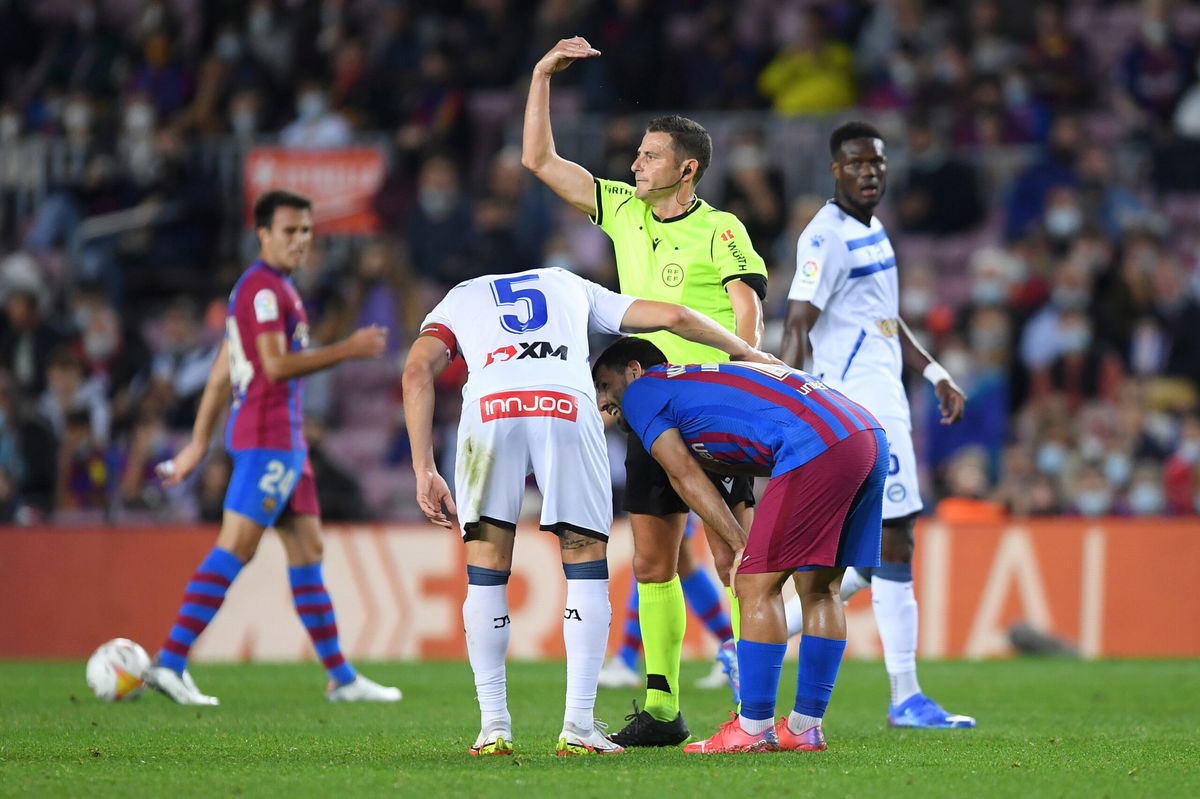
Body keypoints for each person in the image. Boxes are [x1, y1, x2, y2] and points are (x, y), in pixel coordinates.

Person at [401, 266, 777, 756]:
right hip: (564, 403)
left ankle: (493, 726)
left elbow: (415, 372)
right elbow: (675, 316)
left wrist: (423, 468)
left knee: (486, 570)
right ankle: (578, 726)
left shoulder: (461, 295)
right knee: (584, 565)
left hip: (490, 409)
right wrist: (746, 352)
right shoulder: (567, 283)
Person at [522, 36, 769, 746]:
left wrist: (746, 369)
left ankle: (757, 712)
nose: (635, 164)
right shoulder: (624, 209)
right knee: (656, 560)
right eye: (637, 154)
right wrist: (541, 74)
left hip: (714, 411)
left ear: (686, 169)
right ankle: (663, 709)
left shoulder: (722, 228)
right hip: (646, 410)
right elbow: (538, 161)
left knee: (734, 557)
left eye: (651, 155)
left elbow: (746, 307)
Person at [144, 190, 400, 706]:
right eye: (290, 230)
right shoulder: (264, 290)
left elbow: (222, 373)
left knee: (308, 551)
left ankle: (342, 679)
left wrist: (197, 445)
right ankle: (170, 661)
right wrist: (347, 349)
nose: (301, 240)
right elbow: (274, 366)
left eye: (306, 230)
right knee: (236, 546)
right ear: (262, 234)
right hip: (267, 439)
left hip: (286, 441)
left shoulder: (270, 290)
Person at [592, 337, 887, 754]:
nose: (604, 400)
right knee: (821, 588)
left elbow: (683, 476)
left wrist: (738, 541)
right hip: (865, 433)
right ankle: (803, 727)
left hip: (816, 445)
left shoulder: (644, 391)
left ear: (635, 370)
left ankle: (753, 727)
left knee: (753, 584)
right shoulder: (700, 380)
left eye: (605, 385)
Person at [779, 121, 975, 729]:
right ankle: (906, 697)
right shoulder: (826, 239)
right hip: (860, 409)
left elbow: (885, 320)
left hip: (887, 398)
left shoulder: (875, 230)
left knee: (871, 552)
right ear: (836, 171)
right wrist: (783, 409)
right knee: (895, 541)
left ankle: (747, 642)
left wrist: (934, 370)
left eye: (878, 164)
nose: (870, 173)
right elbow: (795, 325)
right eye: (858, 164)